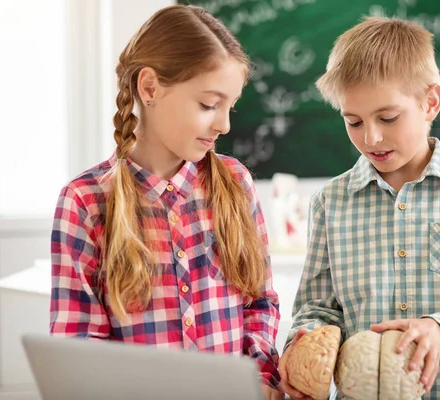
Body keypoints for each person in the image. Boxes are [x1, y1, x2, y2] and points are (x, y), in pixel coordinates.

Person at [279, 16, 440, 400]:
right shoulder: (330, 203)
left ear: (430, 102)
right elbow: (318, 310)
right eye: (353, 121)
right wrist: (304, 346)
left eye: (388, 118)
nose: (371, 137)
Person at [49, 5, 283, 399]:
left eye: (230, 106)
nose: (224, 124)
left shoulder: (236, 183)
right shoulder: (85, 201)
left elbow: (260, 303)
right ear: (150, 88)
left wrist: (260, 377)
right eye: (209, 104)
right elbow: (78, 341)